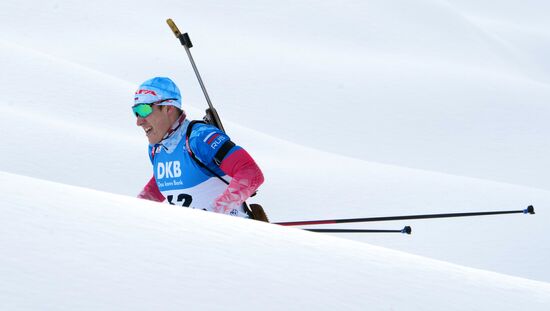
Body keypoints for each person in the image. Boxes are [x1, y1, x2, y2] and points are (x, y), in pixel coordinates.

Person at [133, 77, 266, 220]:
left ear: (168, 108)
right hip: (193, 236)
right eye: (136, 112)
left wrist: (214, 214)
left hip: (230, 235)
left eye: (144, 109)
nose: (139, 121)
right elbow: (164, 181)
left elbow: (251, 173)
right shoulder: (156, 150)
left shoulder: (200, 137)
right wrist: (135, 210)